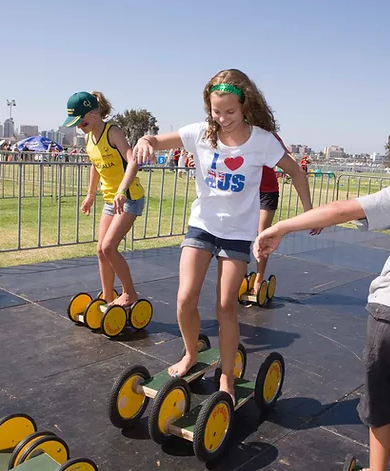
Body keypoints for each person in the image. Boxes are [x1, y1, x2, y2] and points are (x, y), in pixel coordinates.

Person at [254, 115, 390, 471]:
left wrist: (282, 226)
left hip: (388, 311)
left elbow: (342, 209)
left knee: (381, 404)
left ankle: (377, 468)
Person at [132, 68, 320, 403]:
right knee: (185, 298)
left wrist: (307, 214)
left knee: (224, 307)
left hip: (236, 234)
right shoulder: (201, 133)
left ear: (245, 105)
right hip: (202, 225)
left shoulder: (262, 141)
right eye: (216, 112)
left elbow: (295, 172)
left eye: (230, 112)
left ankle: (227, 377)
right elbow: (158, 141)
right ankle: (191, 354)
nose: (223, 119)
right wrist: (146, 141)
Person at [62, 91, 145, 307]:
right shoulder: (89, 138)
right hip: (110, 200)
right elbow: (95, 166)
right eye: (76, 123)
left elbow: (133, 161)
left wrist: (121, 191)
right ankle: (108, 298)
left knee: (109, 248)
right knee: (101, 250)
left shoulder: (113, 132)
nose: (79, 126)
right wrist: (90, 195)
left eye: (82, 120)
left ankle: (129, 294)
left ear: (94, 113)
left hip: (129, 198)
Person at [250, 135, 317, 295]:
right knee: (242, 235)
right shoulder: (239, 132)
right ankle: (239, 275)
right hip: (247, 191)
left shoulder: (268, 136)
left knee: (263, 235)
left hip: (267, 192)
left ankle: (259, 279)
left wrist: (292, 162)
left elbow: (287, 155)